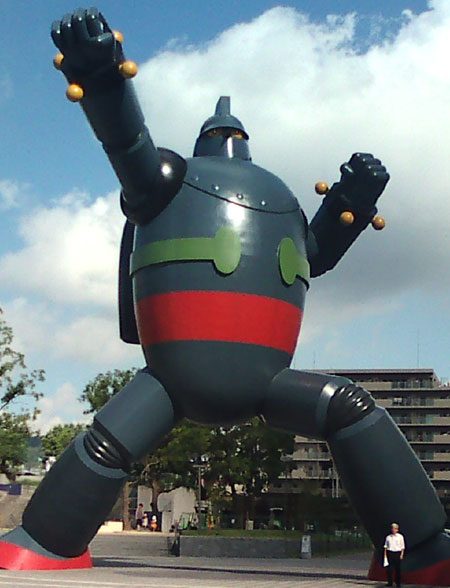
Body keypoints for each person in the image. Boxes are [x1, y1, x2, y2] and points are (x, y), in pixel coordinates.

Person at [384, 523, 405, 587]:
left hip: (397, 553)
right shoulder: (388, 537)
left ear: (397, 529)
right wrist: (385, 555)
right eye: (393, 528)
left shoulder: (400, 537)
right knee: (390, 569)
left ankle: (398, 583)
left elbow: (402, 546)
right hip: (390, 553)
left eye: (395, 529)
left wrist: (402, 554)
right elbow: (385, 547)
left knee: (398, 569)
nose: (394, 530)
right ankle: (390, 582)